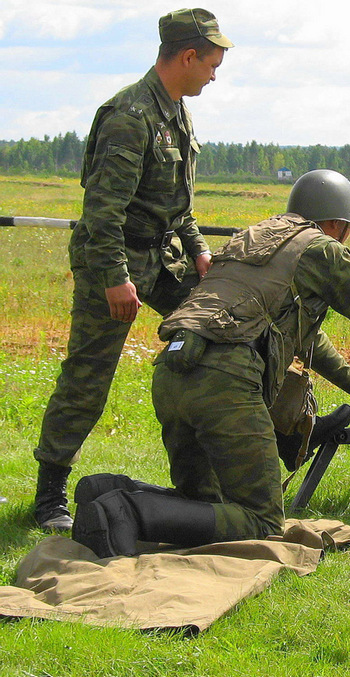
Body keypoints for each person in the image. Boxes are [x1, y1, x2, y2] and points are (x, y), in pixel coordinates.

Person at [71, 169, 350, 558]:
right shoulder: (323, 249)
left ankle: (111, 494)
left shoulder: (254, 238)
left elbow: (307, 337)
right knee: (262, 521)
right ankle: (127, 510)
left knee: (205, 502)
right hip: (226, 383)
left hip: (172, 370)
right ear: (337, 223)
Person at [32, 9, 233, 531]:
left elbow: (178, 206)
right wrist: (115, 280)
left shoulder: (177, 111)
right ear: (187, 57)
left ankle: (206, 475)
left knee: (218, 337)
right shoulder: (130, 115)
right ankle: (49, 493)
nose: (215, 74)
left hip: (162, 259)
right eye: (212, 63)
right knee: (89, 376)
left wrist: (198, 251)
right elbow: (102, 214)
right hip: (114, 259)